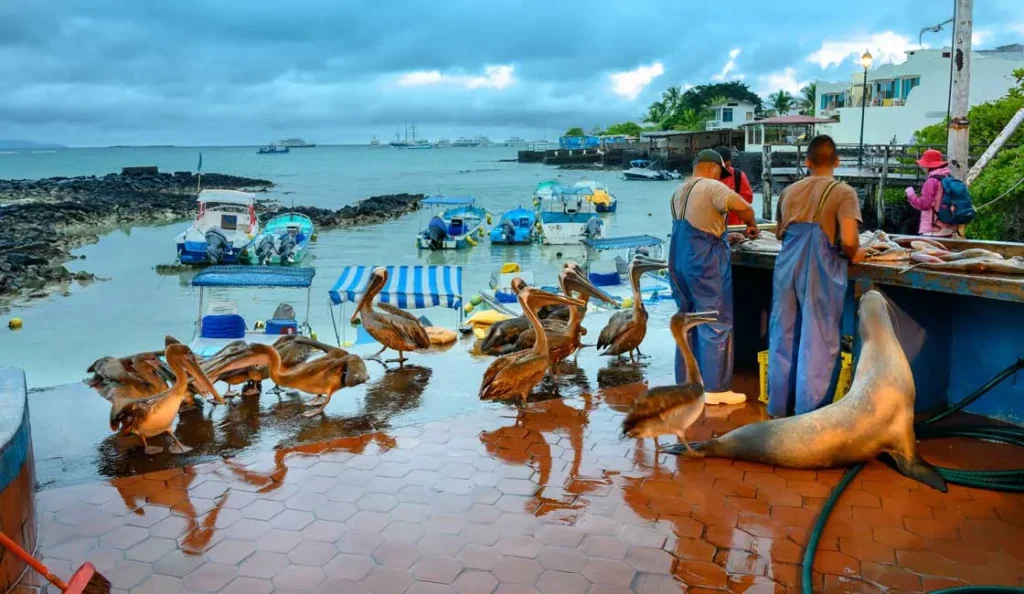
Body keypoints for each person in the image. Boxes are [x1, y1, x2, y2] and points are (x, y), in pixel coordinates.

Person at [767, 135, 866, 418]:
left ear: (807, 161)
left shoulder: (788, 192)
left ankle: (778, 409)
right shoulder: (843, 192)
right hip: (820, 266)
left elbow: (779, 233)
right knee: (818, 338)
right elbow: (849, 240)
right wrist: (857, 254)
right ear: (837, 161)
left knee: (783, 333)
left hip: (787, 264)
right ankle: (809, 414)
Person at [669, 149, 759, 405]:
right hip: (704, 264)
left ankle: (687, 383)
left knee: (686, 321)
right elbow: (743, 206)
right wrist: (751, 223)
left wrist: (724, 235)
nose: (721, 178)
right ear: (711, 168)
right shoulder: (712, 186)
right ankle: (716, 390)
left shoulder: (679, 190)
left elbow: (697, 225)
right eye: (721, 172)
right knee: (714, 320)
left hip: (679, 261)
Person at [905, 149, 959, 238]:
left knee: (928, 252)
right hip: (949, 229)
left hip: (933, 229)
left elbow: (925, 205)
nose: (922, 167)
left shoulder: (931, 182)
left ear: (928, 166)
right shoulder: (949, 178)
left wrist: (910, 194)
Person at [716, 147, 754, 226]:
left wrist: (732, 202)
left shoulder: (738, 175)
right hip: (713, 226)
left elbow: (748, 198)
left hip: (735, 225)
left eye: (725, 166)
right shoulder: (707, 177)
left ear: (730, 162)